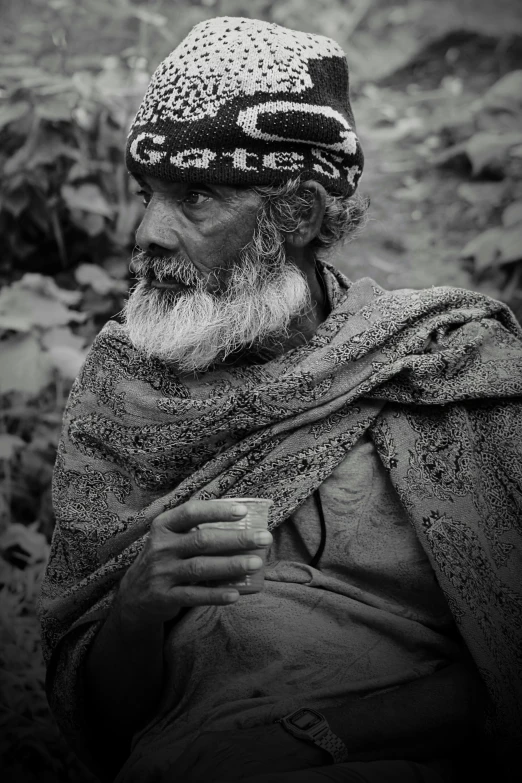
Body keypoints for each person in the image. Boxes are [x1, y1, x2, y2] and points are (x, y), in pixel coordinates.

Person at [38, 16, 522, 783]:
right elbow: (101, 724)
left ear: (293, 214)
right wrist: (137, 603)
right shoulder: (120, 390)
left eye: (195, 197)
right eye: (146, 193)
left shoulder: (446, 364)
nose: (148, 232)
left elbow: (506, 667)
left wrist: (313, 735)